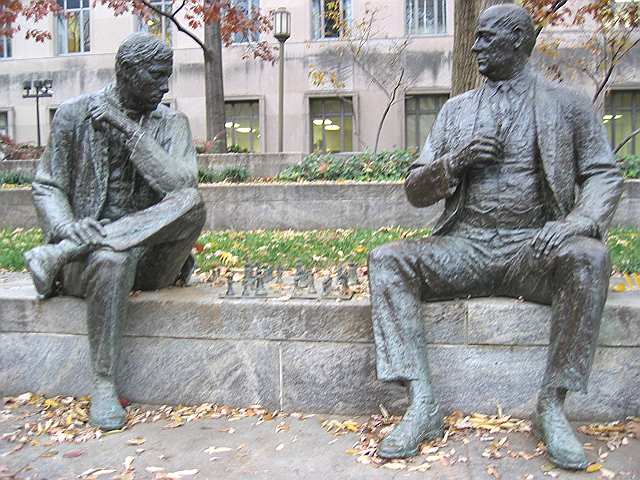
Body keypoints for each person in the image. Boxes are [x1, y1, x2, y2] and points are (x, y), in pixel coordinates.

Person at [367, 5, 623, 470]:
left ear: (519, 42)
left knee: (588, 257)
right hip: (467, 245)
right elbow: (415, 188)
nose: (474, 46)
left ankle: (551, 406)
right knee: (388, 259)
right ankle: (421, 404)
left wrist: (574, 223)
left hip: (534, 247)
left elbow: (604, 174)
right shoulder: (456, 111)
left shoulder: (566, 105)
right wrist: (455, 162)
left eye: (486, 38)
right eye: (476, 37)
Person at [24, 33, 206, 430]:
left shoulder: (172, 124)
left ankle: (60, 253)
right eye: (156, 76)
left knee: (192, 202)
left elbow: (180, 187)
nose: (165, 86)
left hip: (154, 261)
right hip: (90, 261)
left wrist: (125, 127)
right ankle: (104, 383)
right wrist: (66, 227)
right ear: (125, 72)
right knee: (109, 258)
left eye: (168, 76)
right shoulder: (73, 116)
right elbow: (47, 184)